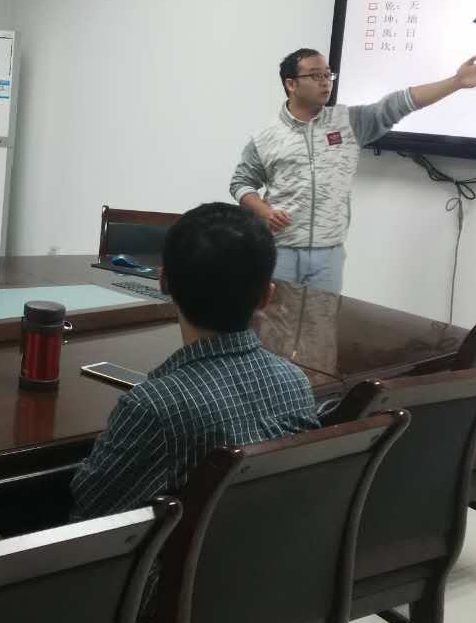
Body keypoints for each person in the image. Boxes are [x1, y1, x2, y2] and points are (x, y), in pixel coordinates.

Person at [70, 202, 320, 521]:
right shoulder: (295, 383)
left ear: (164, 282)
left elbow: (91, 505)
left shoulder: (154, 407)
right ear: (266, 297)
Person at [229, 48, 476, 293]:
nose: (325, 82)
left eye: (328, 74)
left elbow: (399, 103)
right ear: (291, 84)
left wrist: (456, 82)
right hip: (280, 250)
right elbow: (241, 183)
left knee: (319, 326)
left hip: (328, 253)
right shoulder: (266, 137)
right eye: (315, 75)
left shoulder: (349, 122)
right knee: (275, 324)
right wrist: (264, 211)